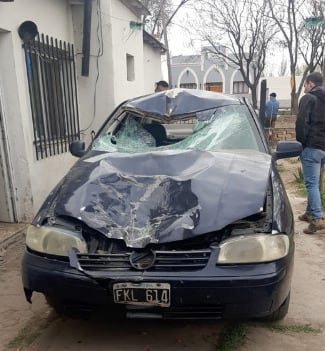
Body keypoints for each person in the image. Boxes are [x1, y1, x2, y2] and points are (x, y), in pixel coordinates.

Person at [296, 72, 325, 234]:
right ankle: (309, 213)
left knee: (311, 184)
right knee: (314, 181)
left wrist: (301, 143)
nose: (305, 88)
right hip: (323, 147)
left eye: (306, 85)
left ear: (311, 84)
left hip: (312, 147)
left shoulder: (308, 98)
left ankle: (317, 219)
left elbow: (301, 123)